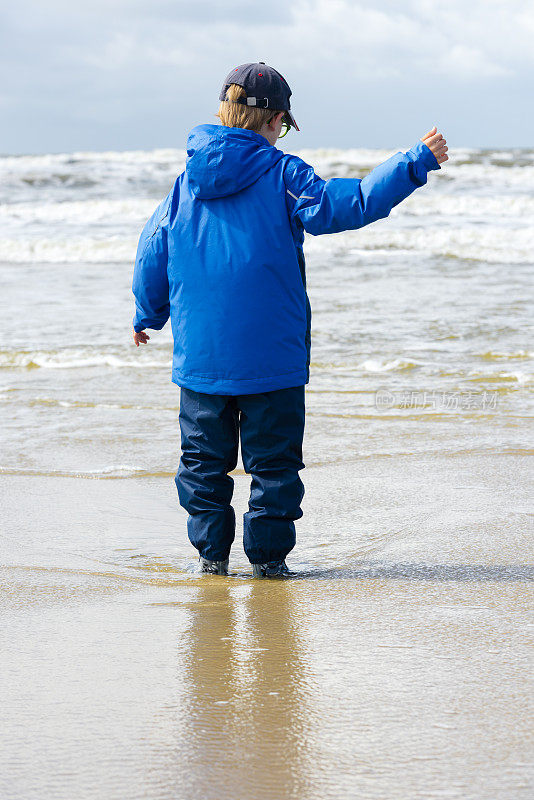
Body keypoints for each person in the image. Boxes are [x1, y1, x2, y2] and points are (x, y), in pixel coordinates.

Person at [131, 61, 448, 579]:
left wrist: (149, 313)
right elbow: (346, 206)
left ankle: (212, 561)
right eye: (282, 124)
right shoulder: (283, 174)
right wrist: (413, 163)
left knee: (203, 467)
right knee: (274, 469)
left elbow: (153, 248)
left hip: (201, 362)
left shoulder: (185, 184)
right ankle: (269, 566)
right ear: (273, 120)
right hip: (272, 362)